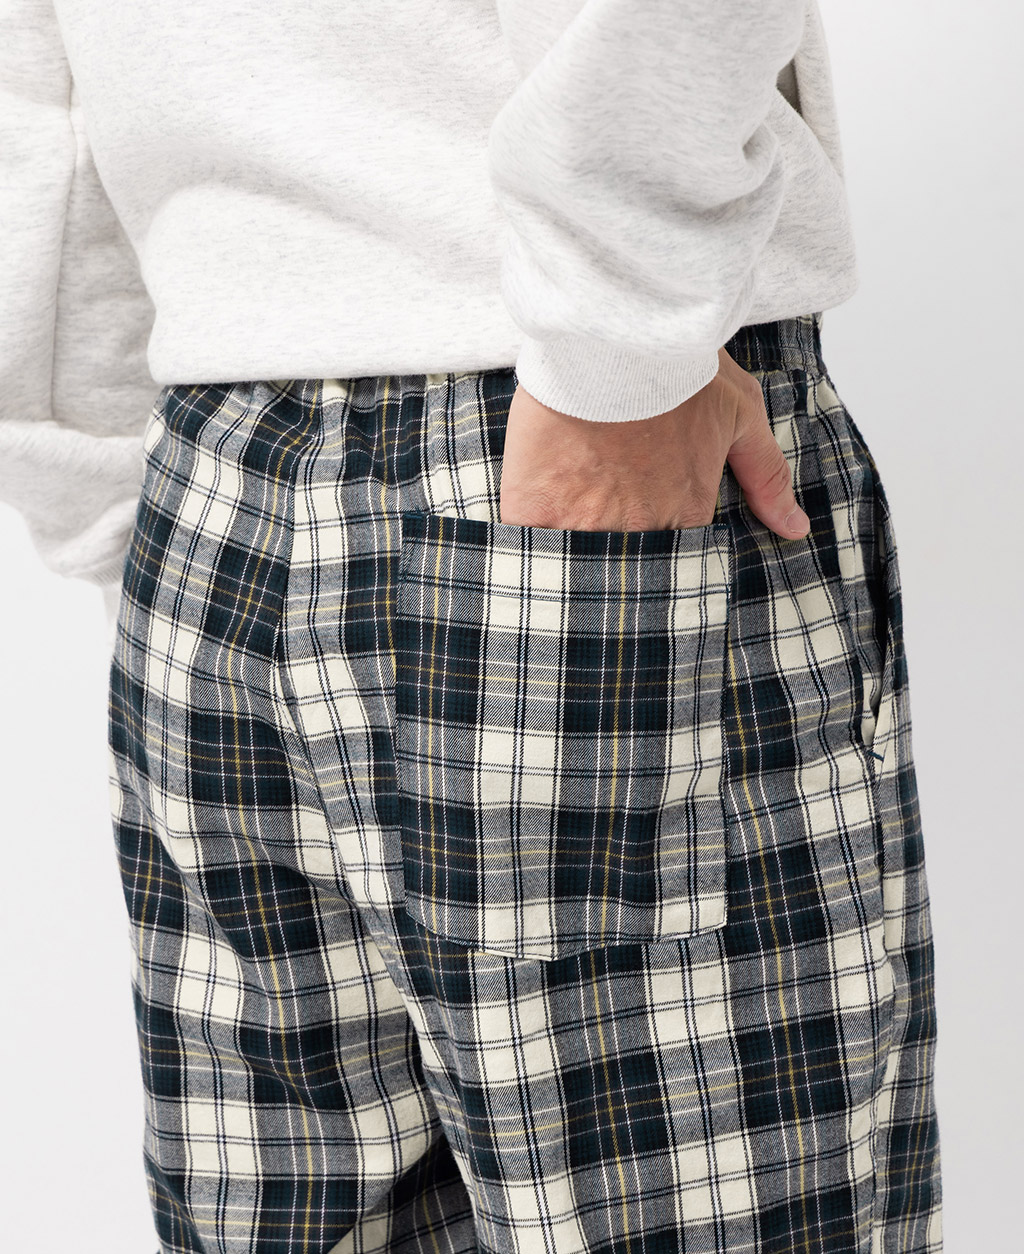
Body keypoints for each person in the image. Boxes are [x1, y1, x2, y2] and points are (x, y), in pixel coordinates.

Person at [0, 2, 943, 1251]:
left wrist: (92, 467)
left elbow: (36, 96)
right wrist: (617, 342)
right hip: (563, 424)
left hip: (216, 486)